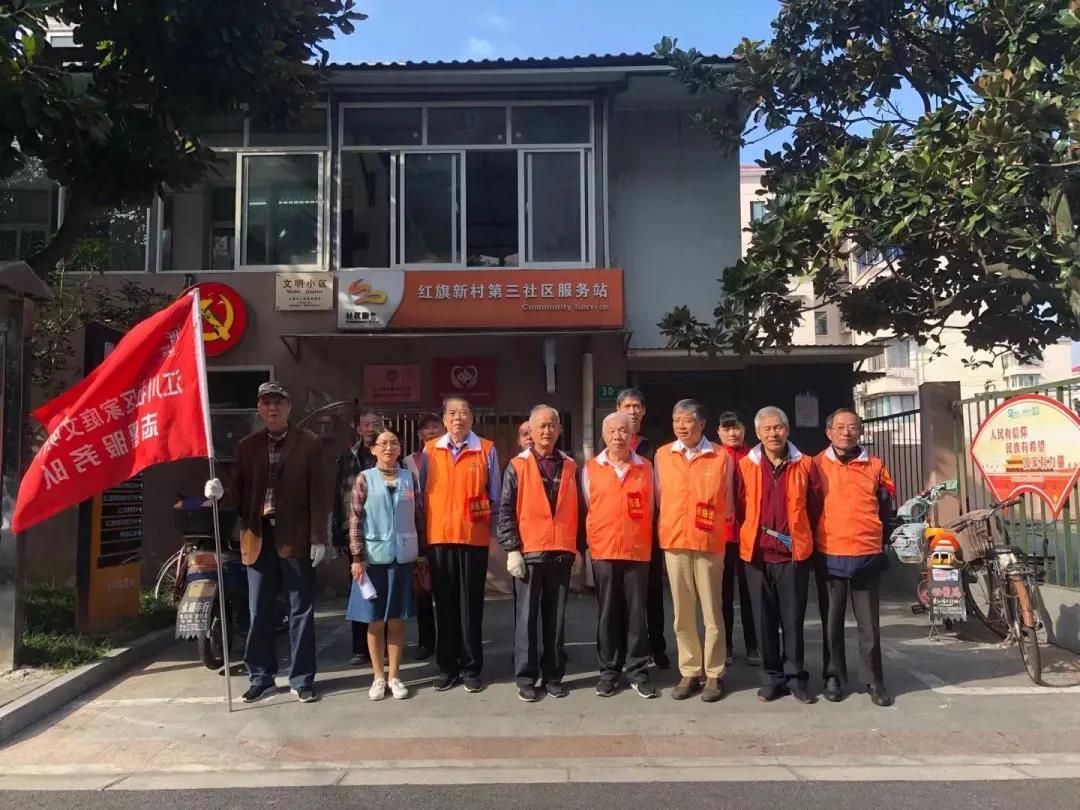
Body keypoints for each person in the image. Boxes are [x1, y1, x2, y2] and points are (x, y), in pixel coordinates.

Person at [205, 381, 328, 704]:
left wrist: (318, 537)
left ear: (289, 407)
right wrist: (220, 493)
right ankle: (261, 677)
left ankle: (302, 679)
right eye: (266, 403)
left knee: (301, 609)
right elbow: (237, 491)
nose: (273, 408)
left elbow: (319, 493)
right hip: (257, 536)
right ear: (259, 409)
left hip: (296, 537)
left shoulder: (309, 443)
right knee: (258, 610)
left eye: (278, 402)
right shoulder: (247, 446)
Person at [736, 406, 823, 704]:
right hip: (757, 555)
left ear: (787, 430)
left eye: (778, 427)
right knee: (763, 621)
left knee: (793, 619)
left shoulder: (805, 464)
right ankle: (772, 678)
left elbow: (815, 505)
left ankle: (796, 677)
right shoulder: (746, 465)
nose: (773, 433)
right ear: (757, 433)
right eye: (767, 429)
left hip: (792, 555)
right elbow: (739, 505)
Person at [417, 396, 501, 693]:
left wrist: (492, 534)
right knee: (445, 605)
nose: (458, 418)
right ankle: (447, 667)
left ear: (472, 418)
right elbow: (421, 495)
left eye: (464, 413)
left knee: (471, 605)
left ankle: (471, 668)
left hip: (472, 538)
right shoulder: (430, 450)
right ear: (444, 419)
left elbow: (495, 496)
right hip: (439, 538)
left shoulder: (486, 449)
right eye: (452, 413)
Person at [815, 408, 896, 707]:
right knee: (831, 621)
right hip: (829, 551)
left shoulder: (876, 465)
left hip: (866, 552)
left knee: (869, 623)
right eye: (839, 427)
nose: (845, 432)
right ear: (828, 432)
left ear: (860, 432)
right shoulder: (815, 465)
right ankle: (833, 676)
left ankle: (874, 678)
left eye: (852, 427)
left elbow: (886, 507)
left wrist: (879, 539)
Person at [497, 405, 579, 702]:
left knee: (556, 619)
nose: (547, 431)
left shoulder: (570, 465)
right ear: (530, 431)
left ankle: (554, 675)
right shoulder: (517, 465)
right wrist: (511, 549)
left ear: (560, 430)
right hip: (529, 552)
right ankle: (526, 677)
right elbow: (505, 509)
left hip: (561, 551)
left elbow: (579, 508)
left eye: (552, 425)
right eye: (541, 426)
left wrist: (578, 549)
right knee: (526, 620)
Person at [654, 399, 732, 702]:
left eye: (687, 420)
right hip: (675, 541)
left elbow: (728, 501)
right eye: (676, 420)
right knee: (682, 612)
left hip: (709, 542)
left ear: (702, 424)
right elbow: (659, 496)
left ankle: (714, 673)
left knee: (712, 611)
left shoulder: (720, 456)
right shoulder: (663, 455)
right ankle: (689, 670)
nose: (681, 426)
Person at [582, 412, 658, 699]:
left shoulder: (646, 467)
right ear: (604, 435)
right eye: (612, 431)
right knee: (607, 614)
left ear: (632, 435)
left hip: (637, 550)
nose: (618, 437)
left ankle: (638, 671)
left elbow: (652, 507)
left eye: (624, 431)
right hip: (603, 550)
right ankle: (609, 672)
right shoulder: (591, 468)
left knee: (637, 615)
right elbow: (588, 506)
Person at [347, 429, 422, 701]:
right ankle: (378, 676)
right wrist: (357, 557)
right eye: (383, 443)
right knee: (375, 621)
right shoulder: (364, 478)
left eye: (394, 443)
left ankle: (395, 676)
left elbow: (419, 515)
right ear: (373, 449)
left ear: (400, 448)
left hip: (402, 558)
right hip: (373, 560)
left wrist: (422, 552)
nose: (389, 448)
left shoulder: (409, 478)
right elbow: (355, 519)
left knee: (397, 620)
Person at [615, 387, 669, 670]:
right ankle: (627, 649)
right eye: (627, 406)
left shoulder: (655, 449)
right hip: (621, 533)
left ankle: (657, 647)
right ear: (618, 410)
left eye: (637, 406)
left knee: (653, 592)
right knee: (625, 596)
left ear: (644, 411)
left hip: (650, 531)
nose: (632, 411)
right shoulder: (609, 446)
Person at [331, 409, 382, 665]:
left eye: (375, 423)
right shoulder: (347, 458)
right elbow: (338, 495)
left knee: (381, 589)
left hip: (383, 533)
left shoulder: (388, 454)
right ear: (359, 429)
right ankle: (360, 648)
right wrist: (337, 535)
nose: (371, 428)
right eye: (366, 424)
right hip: (354, 533)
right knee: (361, 589)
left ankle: (382, 647)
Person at [715, 411, 760, 667]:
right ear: (718, 432)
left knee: (749, 592)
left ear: (745, 430)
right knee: (723, 594)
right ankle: (726, 645)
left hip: (749, 534)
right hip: (720, 536)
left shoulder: (755, 456)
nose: (732, 433)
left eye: (737, 428)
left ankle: (753, 644)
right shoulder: (713, 457)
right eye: (727, 429)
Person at [405, 414, 444, 660]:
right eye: (426, 428)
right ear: (419, 434)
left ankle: (448, 641)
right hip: (419, 533)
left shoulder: (449, 457)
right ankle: (426, 641)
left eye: (435, 427)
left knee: (446, 590)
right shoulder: (408, 461)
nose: (431, 431)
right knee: (422, 589)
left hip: (445, 531)